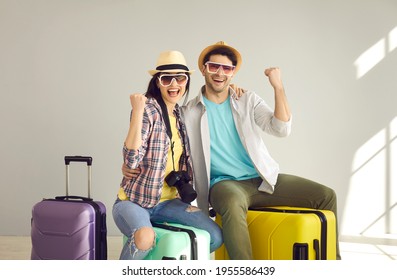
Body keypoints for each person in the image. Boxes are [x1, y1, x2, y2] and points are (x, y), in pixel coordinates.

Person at [123, 41, 341, 260]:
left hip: (263, 180)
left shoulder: (247, 100)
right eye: (213, 66)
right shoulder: (187, 112)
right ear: (203, 70)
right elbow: (163, 141)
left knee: (326, 196)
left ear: (233, 73)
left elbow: (281, 128)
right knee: (232, 202)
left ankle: (334, 262)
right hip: (224, 185)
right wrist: (131, 163)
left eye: (226, 68)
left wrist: (278, 87)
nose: (219, 73)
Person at [112, 50, 222, 260]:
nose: (174, 84)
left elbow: (215, 95)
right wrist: (136, 111)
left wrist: (234, 90)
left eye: (180, 78)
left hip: (169, 203)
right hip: (134, 201)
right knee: (144, 237)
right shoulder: (148, 110)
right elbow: (131, 160)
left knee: (214, 236)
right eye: (166, 78)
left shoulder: (181, 114)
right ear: (158, 82)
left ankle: (157, 259)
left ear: (186, 81)